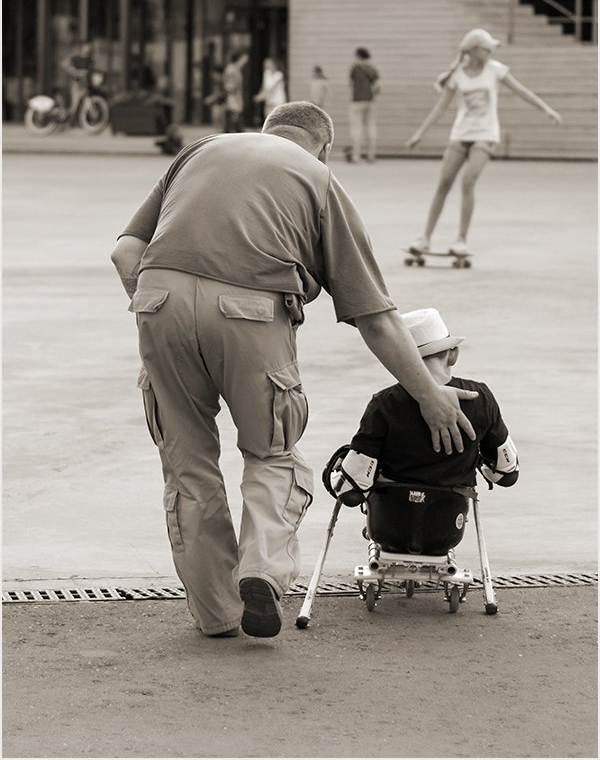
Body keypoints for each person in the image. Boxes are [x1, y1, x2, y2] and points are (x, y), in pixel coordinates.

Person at [111, 102, 479, 640]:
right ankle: (260, 571)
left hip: (156, 298)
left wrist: (158, 309)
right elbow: (375, 318)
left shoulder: (200, 151)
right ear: (324, 147)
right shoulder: (319, 179)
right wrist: (428, 393)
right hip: (251, 313)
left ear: (266, 133)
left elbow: (125, 254)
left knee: (188, 467)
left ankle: (215, 616)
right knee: (271, 453)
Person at [329, 307, 519, 507]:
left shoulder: (384, 403)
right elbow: (507, 474)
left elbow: (351, 493)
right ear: (453, 354)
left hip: (390, 522)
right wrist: (477, 461)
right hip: (449, 527)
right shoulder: (480, 397)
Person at [406, 28, 562, 257]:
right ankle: (425, 238)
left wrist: (546, 109)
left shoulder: (496, 70)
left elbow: (521, 91)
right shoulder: (457, 74)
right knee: (444, 184)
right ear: (473, 50)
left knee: (468, 183)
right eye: (487, 47)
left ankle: (461, 239)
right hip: (461, 134)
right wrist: (420, 133)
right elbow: (441, 107)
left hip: (485, 134)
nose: (491, 51)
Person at [347, 47, 380, 163]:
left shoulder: (355, 69)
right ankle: (371, 155)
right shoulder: (373, 69)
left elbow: (351, 84)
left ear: (359, 56)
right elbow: (378, 87)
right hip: (370, 101)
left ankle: (356, 156)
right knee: (371, 127)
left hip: (357, 101)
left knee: (357, 128)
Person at [61, 40, 93, 112]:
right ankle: (66, 116)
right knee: (74, 104)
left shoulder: (89, 60)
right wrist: (75, 72)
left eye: (89, 47)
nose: (87, 49)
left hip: (83, 83)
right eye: (86, 47)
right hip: (75, 82)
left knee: (81, 100)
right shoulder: (76, 57)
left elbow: (88, 71)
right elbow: (64, 64)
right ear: (82, 48)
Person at [223, 49, 248, 132]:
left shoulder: (235, 69)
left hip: (236, 100)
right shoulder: (232, 69)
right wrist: (234, 103)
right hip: (233, 101)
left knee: (235, 126)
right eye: (244, 57)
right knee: (234, 126)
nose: (246, 59)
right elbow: (229, 87)